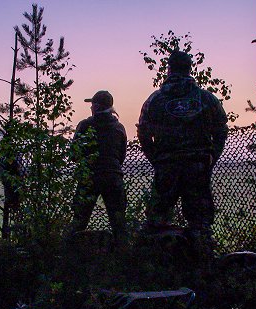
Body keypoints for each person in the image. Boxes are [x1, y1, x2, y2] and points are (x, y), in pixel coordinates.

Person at [137, 50, 228, 244]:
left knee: (156, 220)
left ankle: (159, 264)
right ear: (190, 69)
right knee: (200, 223)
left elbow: (143, 132)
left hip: (166, 166)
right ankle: (201, 265)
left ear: (168, 70)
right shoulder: (207, 99)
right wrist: (211, 156)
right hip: (197, 166)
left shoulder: (154, 100)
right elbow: (221, 130)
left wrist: (156, 159)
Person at [68, 90, 128, 246]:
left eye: (92, 104)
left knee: (79, 219)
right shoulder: (119, 128)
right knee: (118, 222)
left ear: (95, 106)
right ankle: (124, 256)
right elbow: (121, 156)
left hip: (89, 177)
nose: (90, 108)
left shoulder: (85, 125)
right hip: (113, 176)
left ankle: (69, 253)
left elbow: (74, 155)